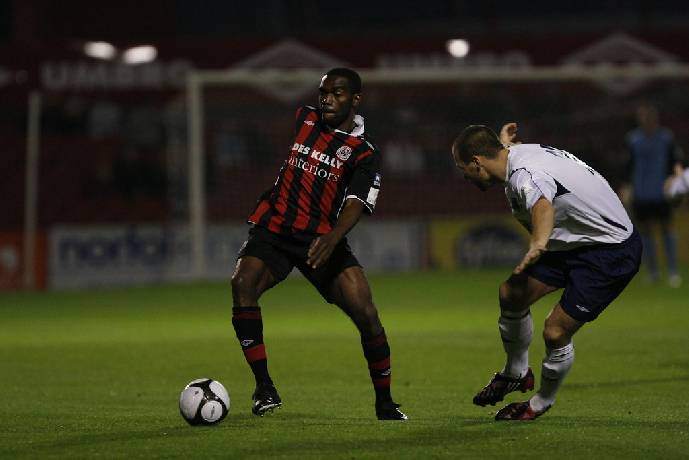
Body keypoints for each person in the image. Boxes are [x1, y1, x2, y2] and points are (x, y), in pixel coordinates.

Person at [230, 68, 407, 421]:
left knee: (367, 314)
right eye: (323, 91)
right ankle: (264, 387)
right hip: (277, 229)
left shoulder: (364, 152)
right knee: (242, 283)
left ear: (355, 99)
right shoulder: (305, 119)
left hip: (322, 239)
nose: (326, 98)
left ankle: (385, 403)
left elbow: (357, 200)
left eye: (337, 92)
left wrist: (333, 237)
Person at [451, 123, 642, 421]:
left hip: (609, 251)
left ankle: (540, 403)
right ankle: (516, 373)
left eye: (463, 167)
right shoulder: (513, 156)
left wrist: (539, 242)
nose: (463, 175)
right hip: (574, 241)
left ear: (477, 162)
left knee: (555, 332)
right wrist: (502, 143)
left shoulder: (525, 174)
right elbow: (512, 162)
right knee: (511, 294)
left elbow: (542, 206)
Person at [623, 104, 684, 287]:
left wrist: (677, 181)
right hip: (641, 192)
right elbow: (628, 165)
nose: (646, 121)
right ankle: (653, 272)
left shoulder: (666, 138)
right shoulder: (633, 140)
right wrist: (627, 187)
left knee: (666, 229)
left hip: (661, 192)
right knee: (646, 231)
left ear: (654, 119)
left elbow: (676, 162)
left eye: (648, 117)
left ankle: (673, 271)